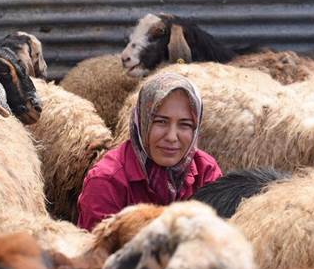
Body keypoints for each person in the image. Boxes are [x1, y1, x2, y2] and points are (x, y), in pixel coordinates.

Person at [76, 72, 222, 230]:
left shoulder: (206, 171)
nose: (172, 137)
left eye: (185, 124)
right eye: (161, 122)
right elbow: (98, 250)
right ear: (142, 122)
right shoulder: (107, 180)